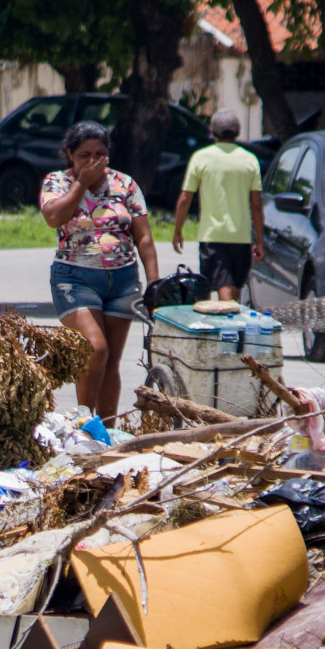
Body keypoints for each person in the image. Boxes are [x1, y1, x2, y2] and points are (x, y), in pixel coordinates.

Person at [40, 122, 159, 421]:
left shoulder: (125, 184)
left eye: (100, 154)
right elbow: (54, 217)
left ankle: (107, 431)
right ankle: (85, 421)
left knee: (110, 362)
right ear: (69, 154)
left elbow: (143, 237)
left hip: (122, 281)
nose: (93, 161)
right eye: (84, 155)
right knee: (95, 350)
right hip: (75, 278)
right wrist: (81, 183)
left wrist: (155, 285)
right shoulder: (58, 182)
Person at [170, 108, 263, 302]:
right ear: (236, 132)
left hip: (212, 236)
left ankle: (225, 330)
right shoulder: (249, 160)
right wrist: (259, 241)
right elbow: (256, 205)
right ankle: (230, 329)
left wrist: (178, 229)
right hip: (241, 236)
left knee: (226, 291)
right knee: (231, 289)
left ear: (213, 131)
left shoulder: (201, 158)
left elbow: (185, 198)